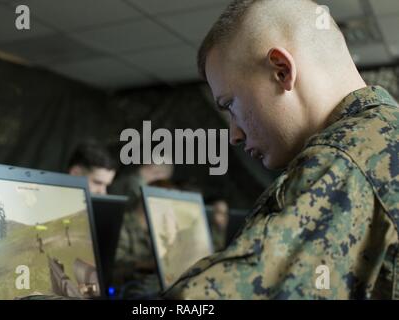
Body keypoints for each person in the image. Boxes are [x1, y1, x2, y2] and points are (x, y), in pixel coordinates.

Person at [164, 0, 399, 299]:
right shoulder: (386, 131)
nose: (234, 134)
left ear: (281, 71)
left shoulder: (342, 159)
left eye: (230, 105)